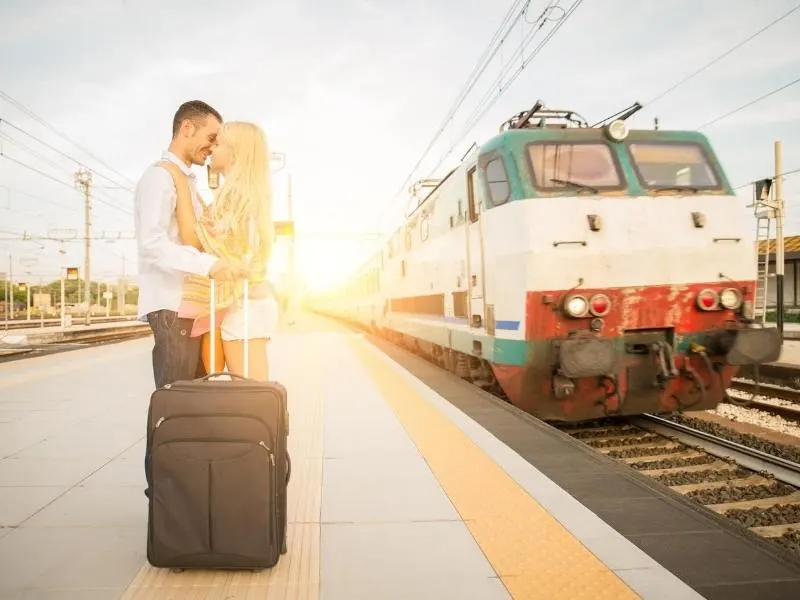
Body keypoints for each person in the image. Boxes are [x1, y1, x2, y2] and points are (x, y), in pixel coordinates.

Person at [134, 100, 249, 390]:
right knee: (176, 402)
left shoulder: (185, 183)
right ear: (187, 127)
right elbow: (152, 243)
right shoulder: (160, 177)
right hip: (171, 306)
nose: (212, 147)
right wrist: (209, 265)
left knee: (189, 402)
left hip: (188, 307)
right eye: (211, 138)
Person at [174, 121, 277, 381]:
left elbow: (200, 240)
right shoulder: (244, 194)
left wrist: (182, 191)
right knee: (252, 390)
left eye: (218, 144)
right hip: (248, 301)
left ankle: (265, 423)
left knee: (252, 393)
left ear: (235, 153)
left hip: (245, 302)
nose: (211, 149)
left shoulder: (236, 195)